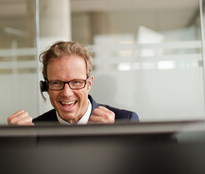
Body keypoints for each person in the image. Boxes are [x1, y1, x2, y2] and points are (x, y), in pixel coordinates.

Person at [7, 41, 139, 125]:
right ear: (46, 87)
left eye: (76, 82)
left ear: (89, 84)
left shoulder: (124, 122)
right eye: (57, 83)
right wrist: (15, 148)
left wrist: (111, 142)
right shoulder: (35, 129)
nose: (66, 93)